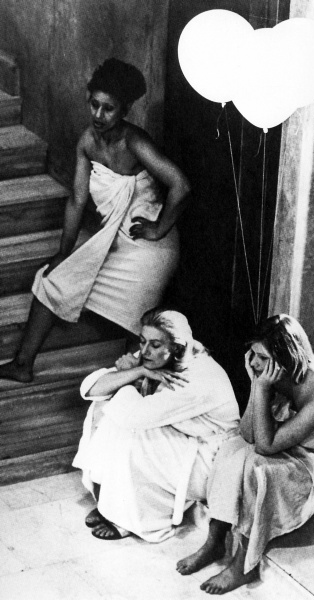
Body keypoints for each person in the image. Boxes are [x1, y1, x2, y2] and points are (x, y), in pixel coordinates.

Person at [0, 58, 190, 383]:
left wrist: (159, 229)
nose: (99, 115)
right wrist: (63, 252)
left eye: (109, 108)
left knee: (139, 323)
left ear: (124, 110)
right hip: (112, 239)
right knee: (51, 279)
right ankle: (22, 365)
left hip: (148, 248)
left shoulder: (135, 142)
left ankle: (137, 387)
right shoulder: (87, 142)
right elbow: (77, 200)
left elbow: (181, 185)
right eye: (94, 105)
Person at [177, 314, 314, 595]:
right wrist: (256, 386)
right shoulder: (276, 374)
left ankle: (244, 564)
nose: (254, 363)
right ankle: (215, 541)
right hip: (302, 446)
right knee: (231, 449)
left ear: (286, 358)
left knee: (258, 468)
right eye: (252, 354)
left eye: (262, 357)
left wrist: (261, 387)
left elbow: (265, 447)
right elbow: (247, 433)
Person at [73, 308, 240, 542]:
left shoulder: (196, 377)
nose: (144, 351)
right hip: (182, 439)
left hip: (208, 460)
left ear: (177, 348)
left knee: (131, 430)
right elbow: (90, 389)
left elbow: (133, 416)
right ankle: (110, 504)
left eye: (154, 345)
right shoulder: (157, 356)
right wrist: (138, 370)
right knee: (104, 409)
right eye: (142, 341)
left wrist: (129, 374)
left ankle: (135, 520)